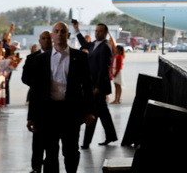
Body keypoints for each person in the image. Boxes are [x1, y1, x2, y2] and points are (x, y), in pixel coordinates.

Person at [22, 22, 95, 173]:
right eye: (56, 31)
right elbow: (35, 91)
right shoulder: (41, 59)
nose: (60, 34)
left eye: (63, 31)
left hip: (71, 112)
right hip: (48, 112)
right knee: (50, 153)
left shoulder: (80, 57)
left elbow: (88, 86)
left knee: (71, 151)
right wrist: (31, 117)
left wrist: (89, 111)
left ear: (68, 35)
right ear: (52, 35)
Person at [74, 21, 117, 149]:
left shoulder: (105, 47)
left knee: (92, 112)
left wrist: (97, 87)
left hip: (99, 87)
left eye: (100, 31)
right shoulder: (93, 44)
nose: (97, 33)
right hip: (93, 85)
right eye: (96, 31)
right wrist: (77, 30)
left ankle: (86, 143)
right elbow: (84, 44)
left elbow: (104, 69)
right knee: (102, 113)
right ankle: (110, 136)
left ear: (105, 33)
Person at [22, 30, 52, 173]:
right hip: (38, 103)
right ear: (39, 41)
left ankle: (50, 166)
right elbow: (25, 78)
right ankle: (36, 167)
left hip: (54, 105)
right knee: (38, 140)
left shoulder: (58, 57)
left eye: (48, 38)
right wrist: (39, 85)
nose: (46, 41)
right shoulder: (32, 58)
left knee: (52, 141)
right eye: (43, 38)